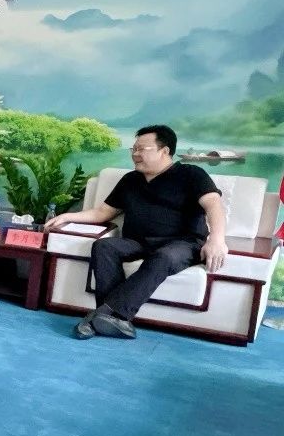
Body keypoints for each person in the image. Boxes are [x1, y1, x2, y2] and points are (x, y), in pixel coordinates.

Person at [47, 124, 227, 339]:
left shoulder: (191, 174)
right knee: (104, 246)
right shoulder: (130, 180)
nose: (135, 154)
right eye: (133, 149)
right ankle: (113, 319)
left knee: (164, 256)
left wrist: (217, 239)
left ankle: (101, 315)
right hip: (139, 242)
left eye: (142, 149)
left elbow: (214, 205)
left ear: (165, 151)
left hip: (183, 243)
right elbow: (103, 213)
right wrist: (67, 216)